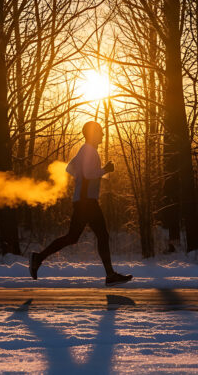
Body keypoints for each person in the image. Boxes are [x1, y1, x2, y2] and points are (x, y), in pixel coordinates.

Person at [29, 121, 133, 286]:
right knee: (101, 235)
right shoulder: (88, 150)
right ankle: (110, 275)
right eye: (100, 132)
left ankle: (38, 258)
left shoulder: (85, 150)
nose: (103, 135)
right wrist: (105, 170)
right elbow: (87, 173)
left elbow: (70, 168)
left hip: (83, 200)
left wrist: (87, 177)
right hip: (87, 202)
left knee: (73, 237)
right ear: (93, 134)